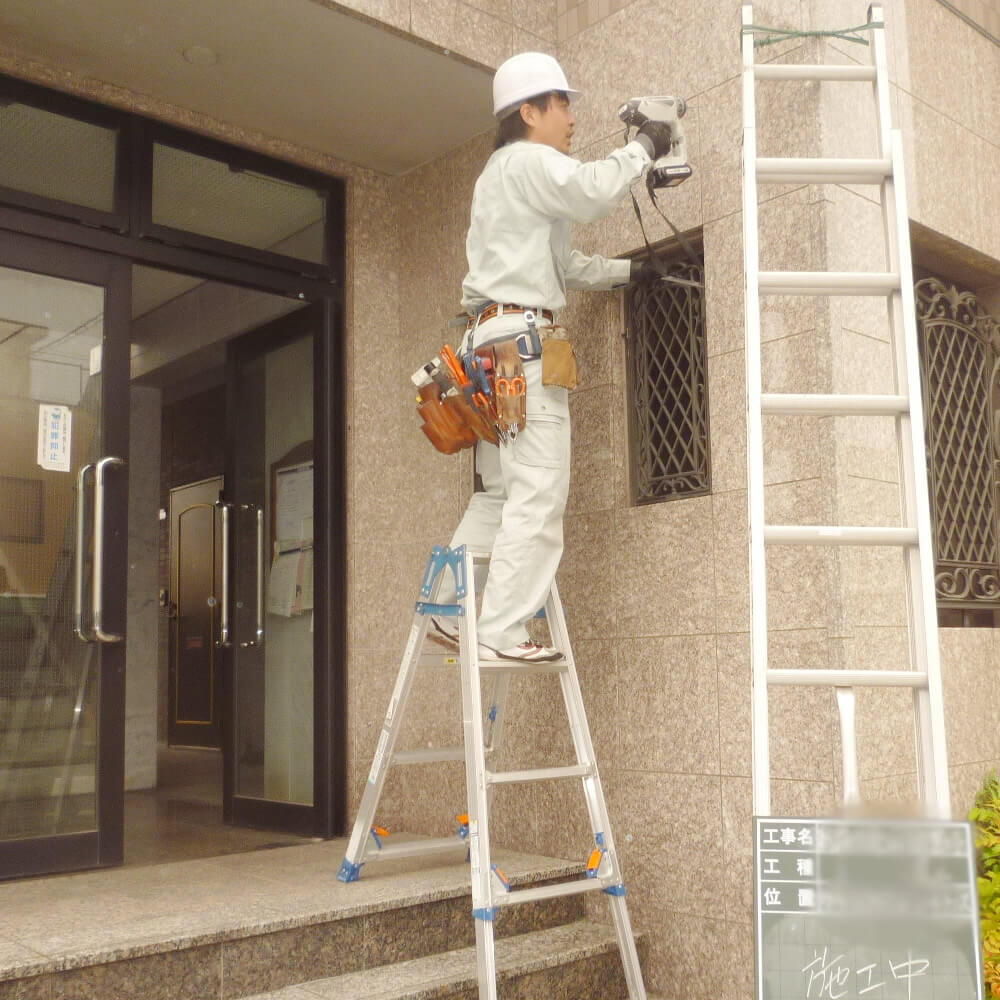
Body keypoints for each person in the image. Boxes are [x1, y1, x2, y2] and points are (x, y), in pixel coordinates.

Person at [431, 52, 673, 663]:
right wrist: (646, 143)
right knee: (538, 493)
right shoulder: (529, 162)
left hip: (487, 351)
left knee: (499, 494)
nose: (571, 116)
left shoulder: (502, 178)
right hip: (519, 351)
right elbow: (592, 192)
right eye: (561, 103)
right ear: (528, 111)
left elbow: (563, 264)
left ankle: (449, 611)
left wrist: (630, 273)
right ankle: (501, 631)